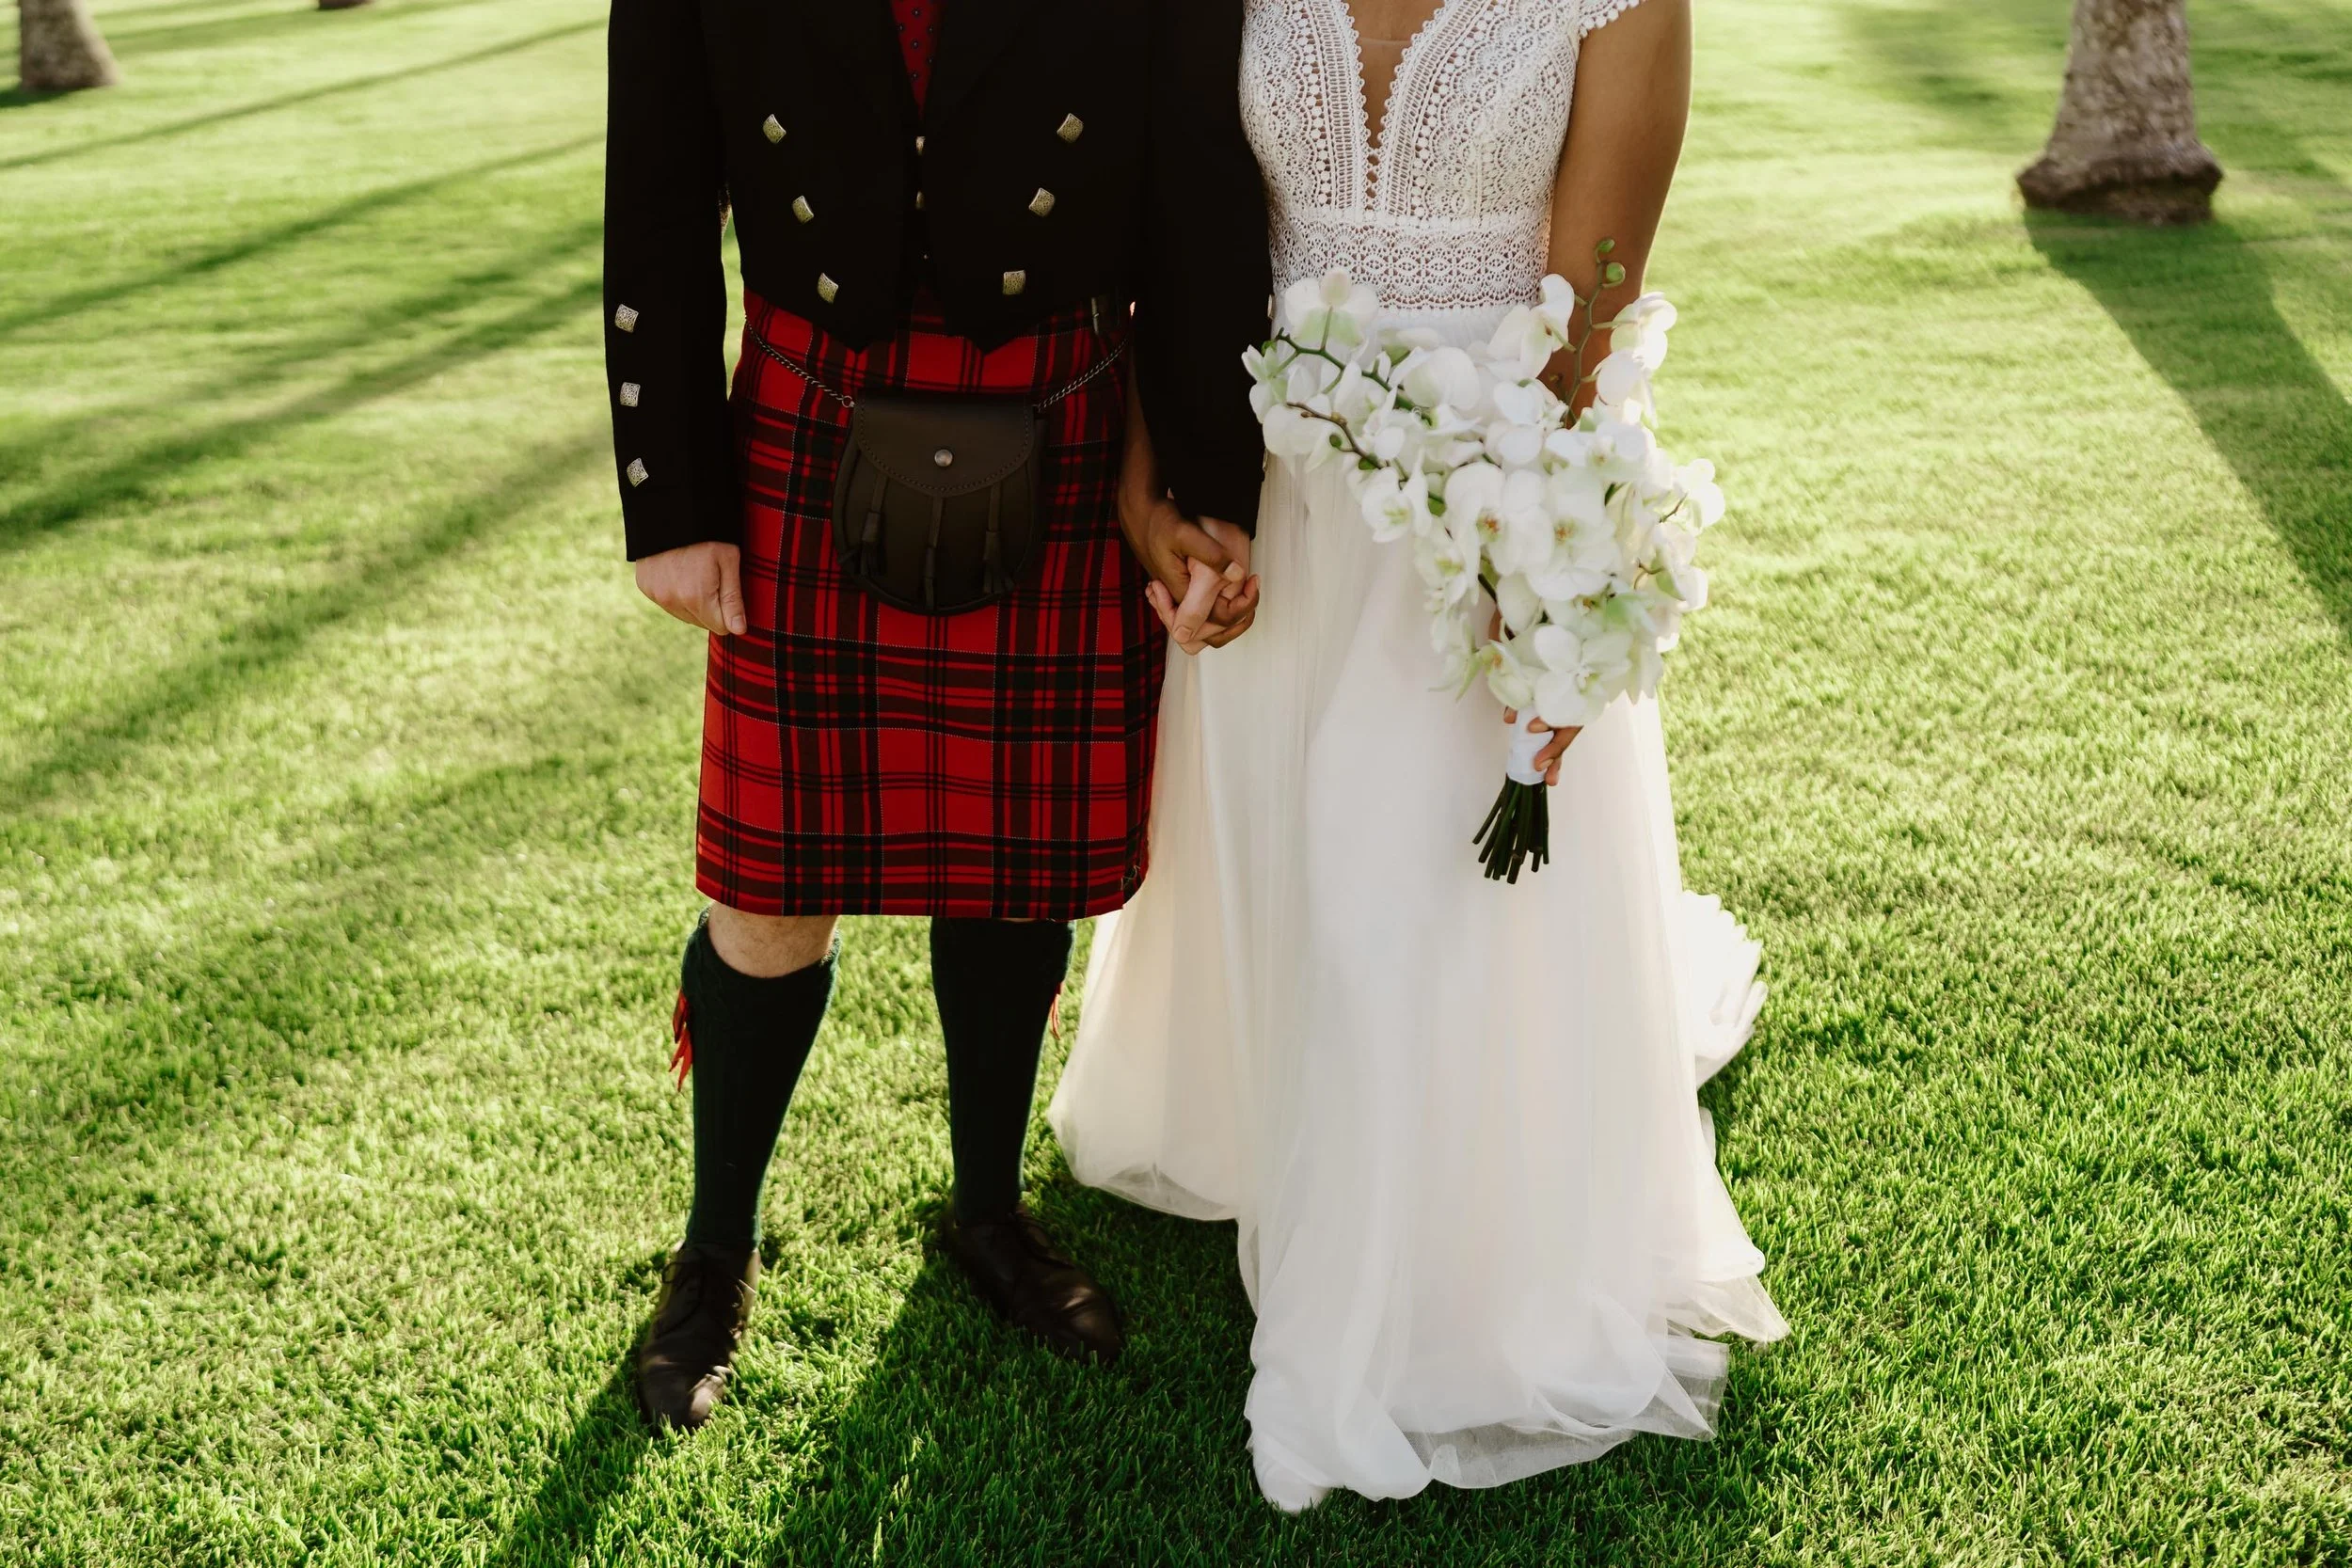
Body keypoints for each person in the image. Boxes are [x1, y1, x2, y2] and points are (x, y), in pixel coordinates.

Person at [1051, 0, 1788, 1510]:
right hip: (1279, 500)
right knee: (1300, 882)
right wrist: (1160, 494)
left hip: (1484, 513)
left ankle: (1415, 1278)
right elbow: (1183, 234)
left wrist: (1523, 565)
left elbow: (1584, 315)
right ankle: (1274, 1122)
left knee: (1402, 896)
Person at [603, 0, 1269, 1431]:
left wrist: (1209, 482)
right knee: (770, 885)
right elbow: (655, 188)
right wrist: (671, 493)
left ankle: (987, 1211)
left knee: (1014, 850)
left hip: (1059, 400)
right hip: (809, 393)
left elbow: (1200, 196)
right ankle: (715, 1247)